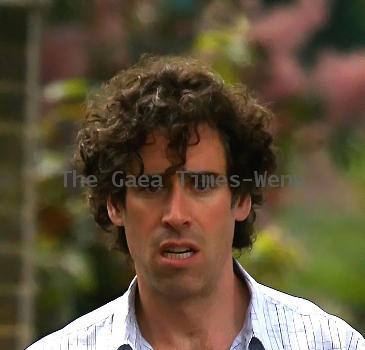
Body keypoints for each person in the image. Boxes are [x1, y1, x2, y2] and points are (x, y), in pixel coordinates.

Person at [27, 55, 364, 350]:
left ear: (241, 198)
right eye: (150, 186)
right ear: (115, 203)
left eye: (201, 184)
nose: (176, 215)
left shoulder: (329, 344)